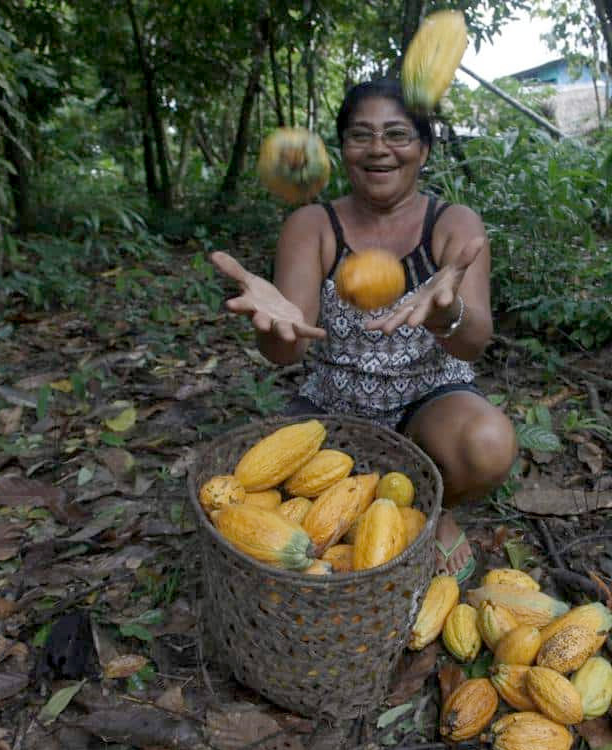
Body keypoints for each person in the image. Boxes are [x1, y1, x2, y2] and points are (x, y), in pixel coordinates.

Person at [211, 79, 518, 581]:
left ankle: (439, 509)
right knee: (268, 512)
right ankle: (378, 497)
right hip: (333, 405)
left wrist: (445, 313)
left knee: (487, 442)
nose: (379, 149)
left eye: (397, 134)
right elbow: (286, 352)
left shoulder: (452, 223)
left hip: (430, 399)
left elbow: (475, 339)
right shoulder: (312, 225)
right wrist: (275, 327)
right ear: (342, 150)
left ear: (423, 148)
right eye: (361, 135)